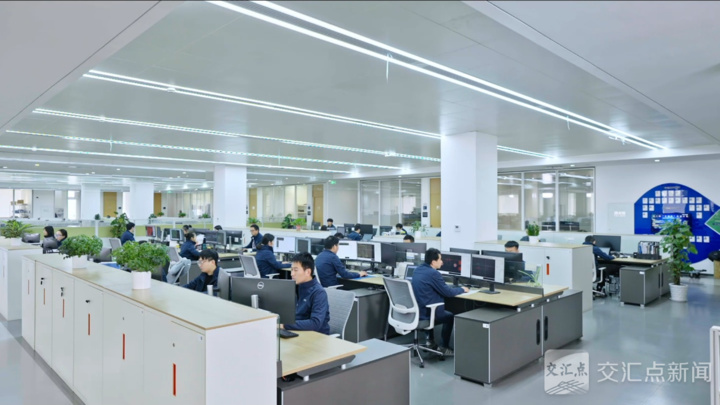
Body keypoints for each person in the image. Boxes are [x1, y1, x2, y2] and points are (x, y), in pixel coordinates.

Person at [411, 248, 468, 356]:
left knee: (430, 306)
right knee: (449, 317)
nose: (442, 262)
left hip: (419, 309)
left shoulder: (418, 269)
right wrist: (462, 289)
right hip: (428, 312)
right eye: (440, 259)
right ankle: (444, 347)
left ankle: (429, 341)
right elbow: (448, 292)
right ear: (433, 262)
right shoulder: (434, 273)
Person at [280, 252, 330, 335]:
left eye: (296, 270)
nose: (292, 274)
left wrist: (284, 325)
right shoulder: (295, 287)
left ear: (308, 272)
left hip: (317, 336)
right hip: (297, 331)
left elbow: (315, 323)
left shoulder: (319, 292)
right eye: (291, 270)